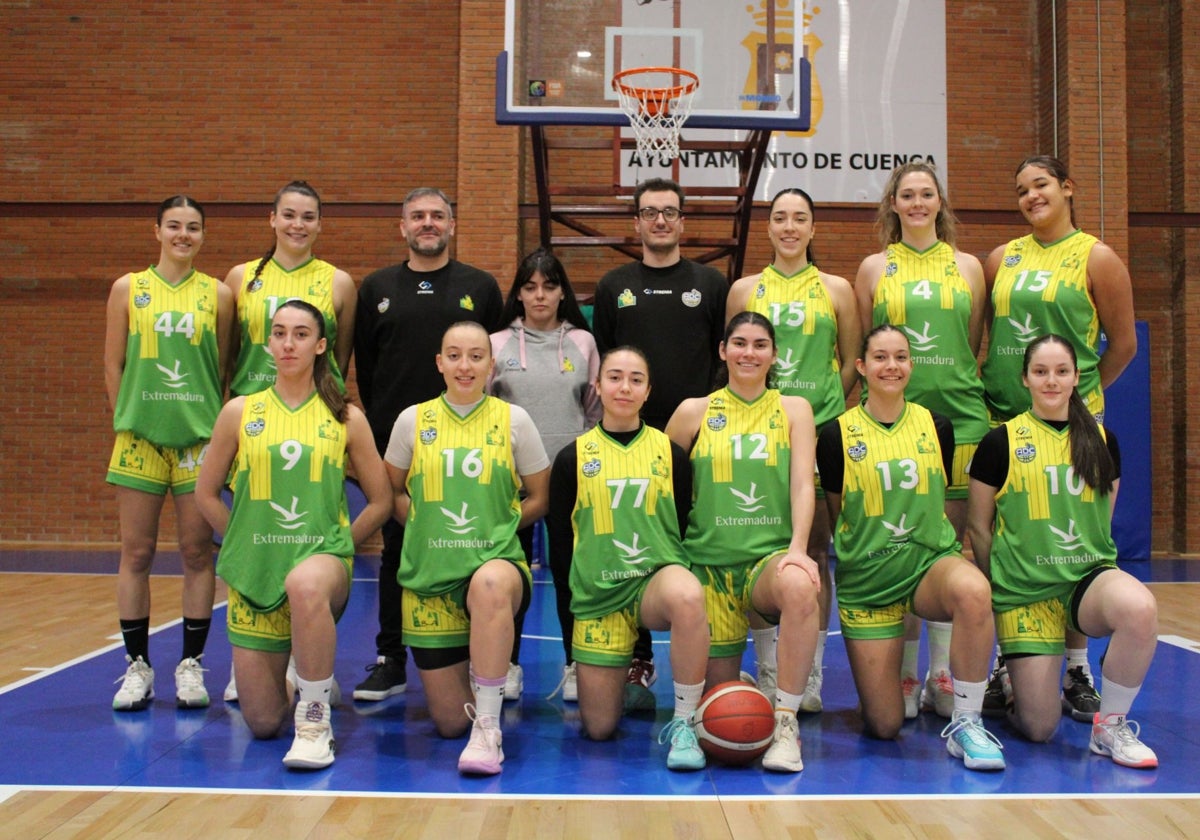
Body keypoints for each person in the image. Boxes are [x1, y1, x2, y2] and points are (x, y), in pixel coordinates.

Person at [195, 300, 392, 770]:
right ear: (267, 343)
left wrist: (340, 544)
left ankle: (314, 719)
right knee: (262, 723)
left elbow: (382, 500)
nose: (288, 343)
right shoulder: (239, 412)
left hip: (321, 567)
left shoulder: (345, 417)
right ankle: (308, 670)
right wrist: (240, 538)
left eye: (301, 334)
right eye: (280, 333)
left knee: (305, 584)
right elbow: (205, 496)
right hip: (257, 569)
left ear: (321, 345)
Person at [980, 155, 1137, 723]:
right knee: (1007, 539)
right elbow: (986, 338)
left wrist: (1078, 402)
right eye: (1020, 189)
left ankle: (1076, 665)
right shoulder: (1002, 259)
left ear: (1067, 187)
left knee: (1073, 541)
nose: (1030, 196)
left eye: (1040, 184)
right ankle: (1008, 657)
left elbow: (1122, 344)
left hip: (1073, 423)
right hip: (1004, 418)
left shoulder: (1098, 256)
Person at [815, 325, 1004, 771]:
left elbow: (938, 498)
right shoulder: (835, 435)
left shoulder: (936, 426)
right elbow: (840, 510)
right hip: (868, 580)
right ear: (861, 367)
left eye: (901, 357)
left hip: (926, 566)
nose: (891, 366)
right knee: (884, 724)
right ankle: (897, 685)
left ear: (911, 365)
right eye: (880, 357)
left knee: (975, 591)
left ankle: (966, 722)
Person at [966, 334, 1157, 768]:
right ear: (1026, 379)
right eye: (1041, 372)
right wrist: (1001, 589)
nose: (1051, 381)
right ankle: (1014, 676)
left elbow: (1102, 519)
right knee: (1039, 729)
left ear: (1077, 378)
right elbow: (979, 527)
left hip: (1083, 584)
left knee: (1140, 608)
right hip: (1024, 592)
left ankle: (1110, 727)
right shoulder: (1001, 442)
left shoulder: (1102, 440)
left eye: (1061, 371)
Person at [354, 187, 504, 703]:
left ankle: (496, 660)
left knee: (483, 550)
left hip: (471, 440)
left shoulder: (480, 287)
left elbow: (492, 360)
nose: (427, 223)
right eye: (417, 215)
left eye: (437, 215)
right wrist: (379, 439)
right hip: (404, 444)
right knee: (398, 549)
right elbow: (369, 370)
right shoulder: (376, 287)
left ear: (452, 225)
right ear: (402, 227)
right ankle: (390, 658)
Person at [384, 322, 550, 776]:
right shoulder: (412, 421)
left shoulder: (513, 420)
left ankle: (490, 727)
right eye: (454, 355)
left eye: (476, 356)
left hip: (496, 567)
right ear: (439, 363)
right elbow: (392, 490)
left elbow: (540, 495)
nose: (465, 365)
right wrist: (419, 525)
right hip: (431, 576)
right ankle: (484, 688)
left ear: (490, 364)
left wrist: (501, 530)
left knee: (492, 581)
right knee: (449, 723)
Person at [854, 163, 989, 720]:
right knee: (906, 544)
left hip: (963, 417)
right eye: (906, 195)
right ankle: (909, 674)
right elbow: (866, 345)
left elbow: (972, 339)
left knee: (953, 550)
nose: (916, 203)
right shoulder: (872, 268)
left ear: (940, 202)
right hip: (897, 423)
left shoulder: (969, 267)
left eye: (925, 194)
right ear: (893, 203)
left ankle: (942, 675)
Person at [591, 177, 727, 709]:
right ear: (637, 223)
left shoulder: (710, 283)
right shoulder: (613, 285)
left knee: (698, 541)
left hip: (699, 442)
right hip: (631, 443)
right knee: (633, 543)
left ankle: (711, 646)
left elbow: (723, 356)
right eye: (650, 213)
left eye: (670, 212)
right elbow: (607, 359)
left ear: (683, 221)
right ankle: (638, 655)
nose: (661, 221)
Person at [665, 312, 820, 773]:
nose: (748, 353)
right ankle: (715, 701)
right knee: (718, 710)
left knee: (800, 585)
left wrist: (797, 549)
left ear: (774, 354)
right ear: (723, 350)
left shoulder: (795, 409)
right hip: (707, 564)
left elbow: (802, 485)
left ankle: (787, 721)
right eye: (739, 343)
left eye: (759, 345)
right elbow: (664, 485)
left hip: (765, 562)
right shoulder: (694, 411)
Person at [221, 180, 357, 704]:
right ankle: (253, 656)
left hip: (310, 419)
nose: (298, 224)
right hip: (254, 425)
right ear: (271, 219)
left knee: (307, 535)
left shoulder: (339, 282)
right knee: (255, 537)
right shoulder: (240, 279)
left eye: (309, 217)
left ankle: (310, 662)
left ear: (320, 224)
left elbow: (339, 361)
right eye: (289, 215)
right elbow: (228, 356)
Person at [726, 187, 862, 714]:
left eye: (799, 218)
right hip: (758, 436)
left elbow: (851, 359)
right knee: (764, 544)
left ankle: (808, 673)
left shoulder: (838, 289)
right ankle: (767, 664)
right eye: (779, 217)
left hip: (822, 429)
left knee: (816, 551)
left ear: (813, 228)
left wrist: (820, 411)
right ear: (768, 227)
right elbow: (740, 356)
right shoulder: (745, 289)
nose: (789, 226)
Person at [547, 346, 711, 771]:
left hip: (652, 586)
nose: (625, 386)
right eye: (614, 377)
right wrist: (570, 648)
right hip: (599, 595)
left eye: (635, 379)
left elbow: (685, 524)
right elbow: (563, 559)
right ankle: (621, 673)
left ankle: (684, 722)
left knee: (688, 594)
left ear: (648, 391)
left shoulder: (670, 455)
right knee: (599, 729)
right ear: (597, 387)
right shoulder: (571, 460)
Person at [103, 195, 233, 712]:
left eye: (194, 227)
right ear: (156, 230)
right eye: (174, 226)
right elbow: (112, 364)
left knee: (197, 553)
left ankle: (190, 666)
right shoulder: (127, 289)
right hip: (140, 439)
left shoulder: (219, 295)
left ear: (203, 235)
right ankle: (137, 666)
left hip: (197, 440)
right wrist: (126, 421)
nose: (184, 234)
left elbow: (220, 370)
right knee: (136, 553)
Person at [489, 248, 601, 703]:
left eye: (549, 286)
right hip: (509, 482)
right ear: (518, 293)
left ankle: (576, 664)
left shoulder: (583, 344)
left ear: (562, 293)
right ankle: (506, 664)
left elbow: (594, 414)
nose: (540, 295)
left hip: (569, 478)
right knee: (507, 576)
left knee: (570, 575)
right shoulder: (495, 344)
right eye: (530, 287)